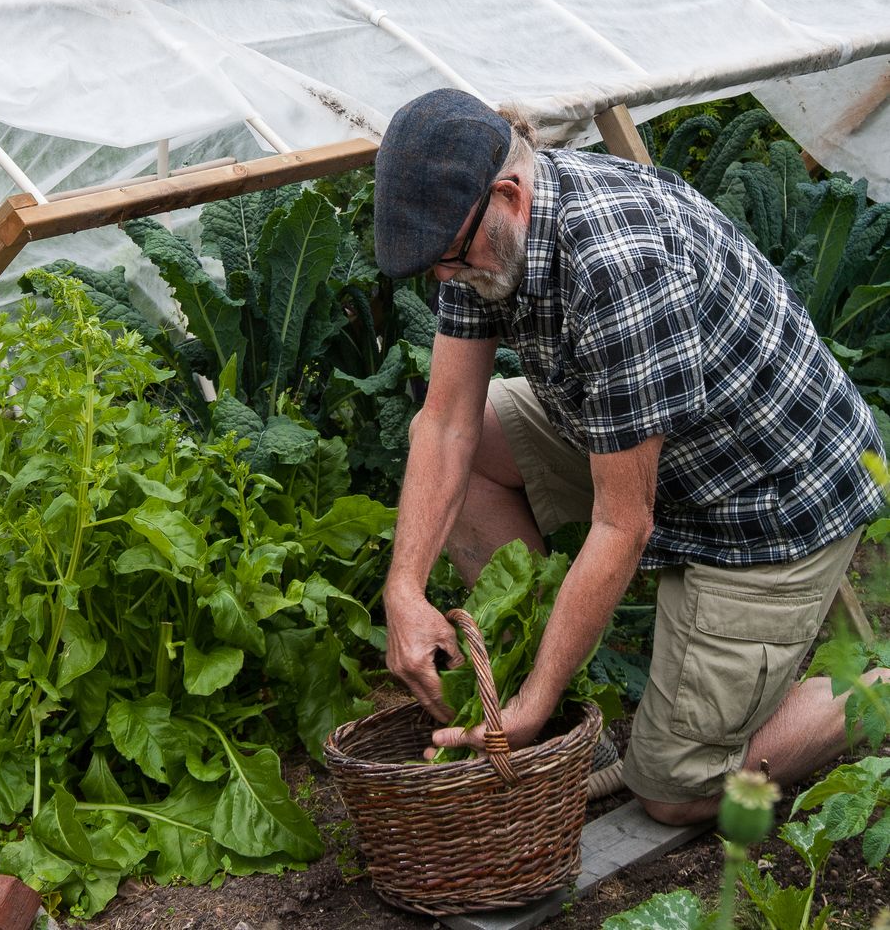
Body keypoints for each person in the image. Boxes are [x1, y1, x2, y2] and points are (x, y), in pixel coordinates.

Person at [373, 88, 887, 825]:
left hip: (765, 502)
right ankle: (547, 670)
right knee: (479, 432)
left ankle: (873, 689)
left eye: (448, 259)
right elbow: (446, 421)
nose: (442, 278)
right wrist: (404, 587)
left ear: (509, 197)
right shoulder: (482, 239)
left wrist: (535, 705)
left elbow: (624, 524)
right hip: (654, 450)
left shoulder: (616, 264)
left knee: (675, 793)